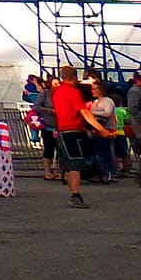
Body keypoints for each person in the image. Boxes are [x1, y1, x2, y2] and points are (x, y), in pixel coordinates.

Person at [52, 65, 110, 209]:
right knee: (76, 164)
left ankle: (74, 193)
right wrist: (101, 129)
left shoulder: (57, 92)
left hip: (62, 130)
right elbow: (84, 112)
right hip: (73, 130)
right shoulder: (73, 92)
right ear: (75, 77)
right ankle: (76, 194)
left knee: (70, 164)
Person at [88, 81, 119, 183]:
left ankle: (108, 172)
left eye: (94, 89)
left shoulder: (107, 101)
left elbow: (107, 113)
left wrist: (92, 113)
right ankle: (98, 173)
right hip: (96, 130)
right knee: (98, 152)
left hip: (107, 129)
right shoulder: (96, 102)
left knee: (105, 152)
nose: (92, 91)